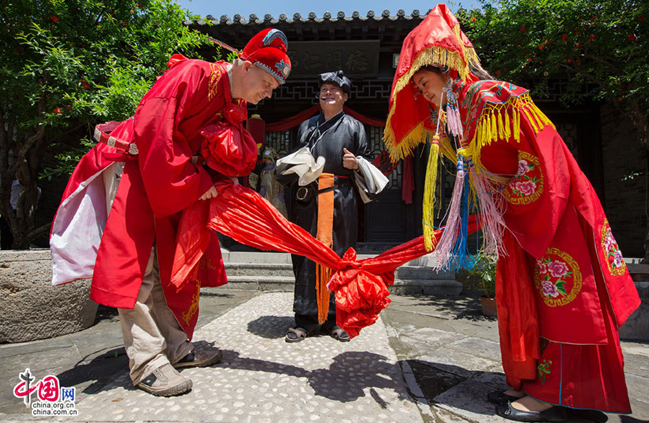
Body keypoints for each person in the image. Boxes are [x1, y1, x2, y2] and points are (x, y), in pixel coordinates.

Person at [385, 5, 640, 422]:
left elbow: (546, 160)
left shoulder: (496, 98)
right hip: (523, 223)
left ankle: (560, 394)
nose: (424, 94)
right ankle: (530, 380)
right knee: (526, 301)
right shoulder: (464, 113)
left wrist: (508, 199)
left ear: (450, 70)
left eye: (426, 83)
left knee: (567, 301)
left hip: (553, 218)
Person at [50, 28, 291, 397]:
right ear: (244, 66)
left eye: (273, 87)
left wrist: (209, 181)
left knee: (168, 265)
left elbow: (227, 154)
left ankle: (176, 349)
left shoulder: (235, 103)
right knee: (139, 266)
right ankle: (146, 363)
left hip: (174, 180)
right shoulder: (193, 74)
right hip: (139, 168)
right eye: (266, 82)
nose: (268, 92)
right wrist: (195, 183)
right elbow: (154, 133)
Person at [279, 70, 371, 343]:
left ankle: (338, 318)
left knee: (340, 256)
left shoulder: (355, 126)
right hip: (308, 196)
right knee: (306, 255)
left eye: (334, 90)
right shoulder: (307, 126)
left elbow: (366, 164)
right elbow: (293, 159)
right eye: (324, 90)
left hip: (342, 197)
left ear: (344, 97)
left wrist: (357, 164)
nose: (328, 93)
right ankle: (304, 319)